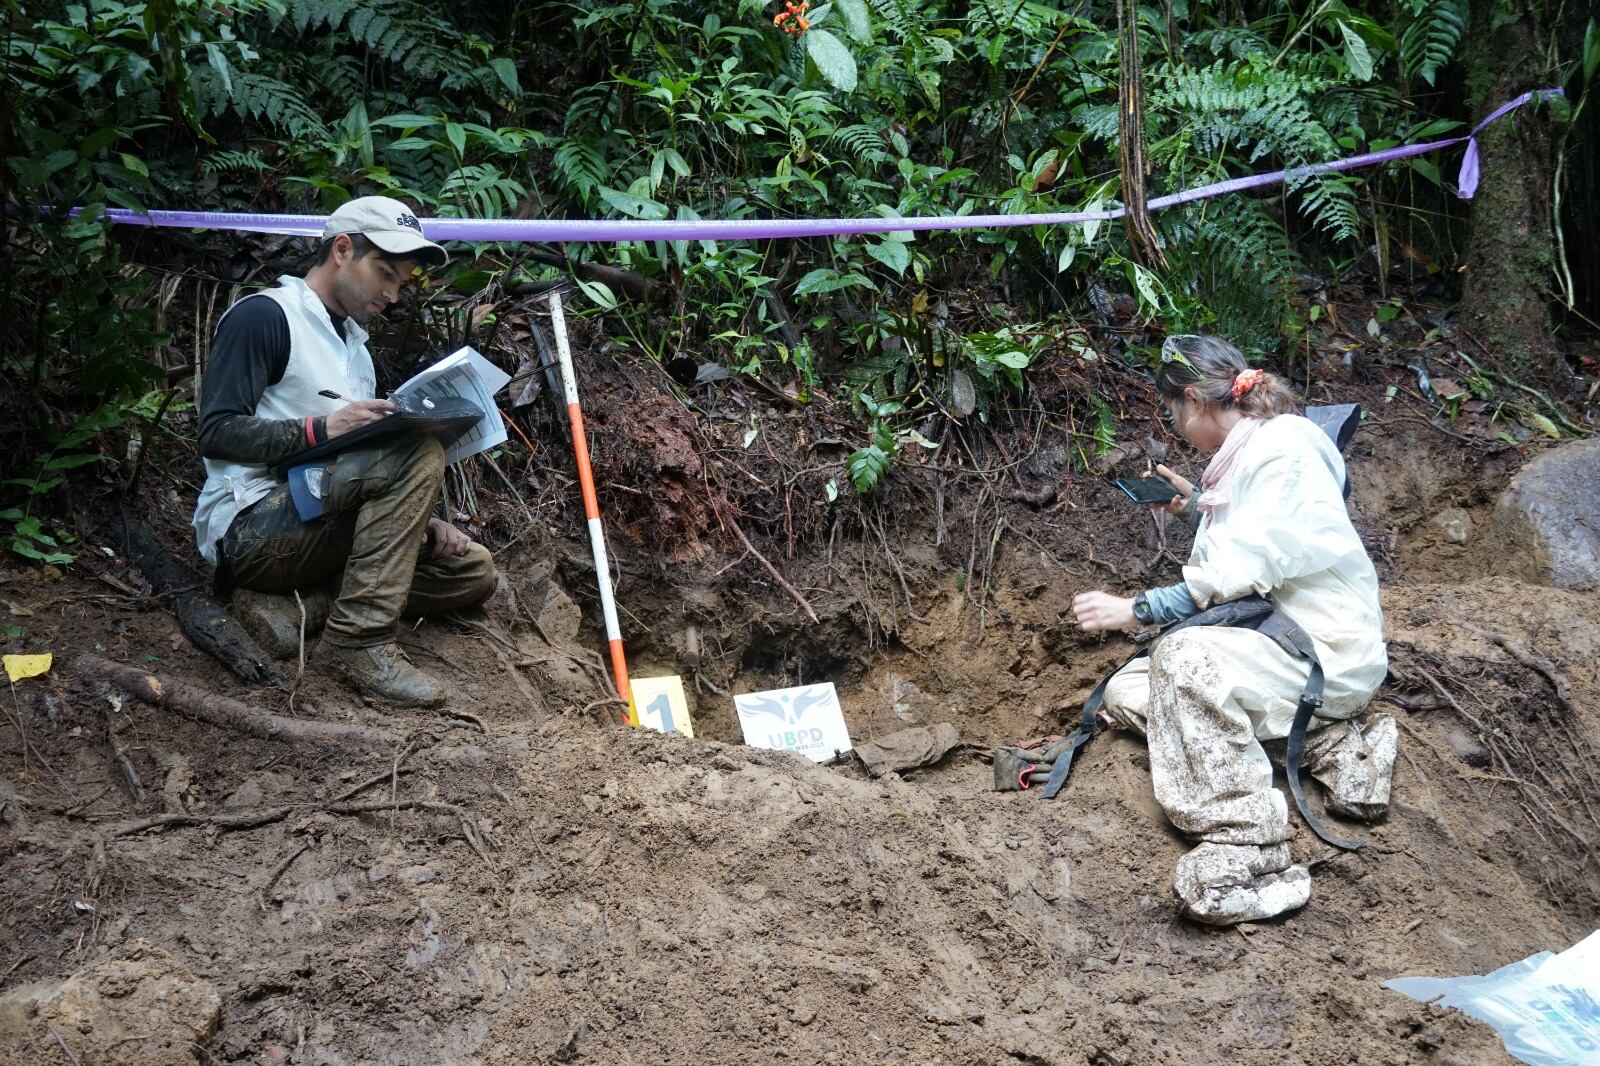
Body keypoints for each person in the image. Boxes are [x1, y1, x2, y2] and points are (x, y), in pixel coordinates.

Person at [1071, 334, 1392, 925]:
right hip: (1278, 644)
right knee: (1129, 690)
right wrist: (1194, 507)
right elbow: (1263, 534)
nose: (1176, 425)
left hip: (1325, 652)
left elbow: (1242, 570)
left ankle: (1250, 843)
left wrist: (1134, 608)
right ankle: (1332, 746)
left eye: (1173, 411)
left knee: (1184, 659)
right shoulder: (1257, 452)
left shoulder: (1285, 451)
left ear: (1194, 400)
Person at [192, 196, 498, 708]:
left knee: (473, 569)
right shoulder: (266, 317)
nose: (392, 295)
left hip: (322, 521)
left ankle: (306, 606)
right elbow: (217, 432)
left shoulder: (356, 348)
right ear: (341, 250)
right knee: (418, 451)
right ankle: (357, 643)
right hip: (250, 528)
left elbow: (362, 470)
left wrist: (417, 518)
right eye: (385, 273)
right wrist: (321, 429)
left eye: (401, 283)